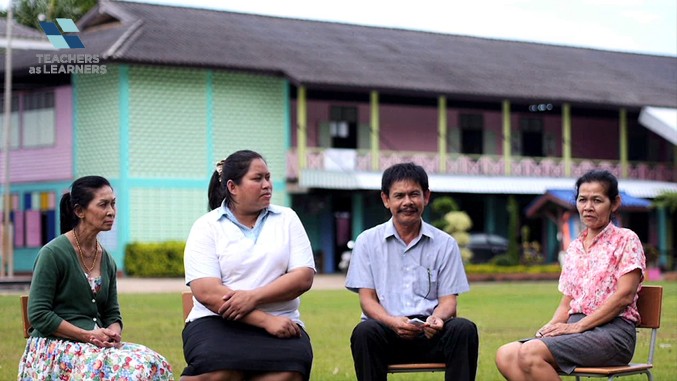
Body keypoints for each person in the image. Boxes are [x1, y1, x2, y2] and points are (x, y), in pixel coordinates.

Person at [17, 176, 174, 381]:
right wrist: (88, 335)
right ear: (79, 211)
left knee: (156, 364)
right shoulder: (53, 254)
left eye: (113, 204)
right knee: (132, 370)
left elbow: (112, 313)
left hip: (93, 346)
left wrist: (112, 333)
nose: (111, 211)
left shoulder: (106, 259)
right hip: (54, 349)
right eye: (103, 204)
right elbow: (38, 314)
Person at [495, 169, 646, 381]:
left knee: (531, 352)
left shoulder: (626, 240)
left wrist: (577, 327)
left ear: (615, 203)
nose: (588, 207)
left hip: (613, 334)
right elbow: (567, 303)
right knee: (506, 355)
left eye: (597, 200)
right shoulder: (574, 247)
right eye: (582, 200)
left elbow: (625, 296)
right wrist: (550, 327)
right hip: (577, 331)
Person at [181, 149, 316, 381]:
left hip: (283, 319)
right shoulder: (206, 226)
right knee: (223, 372)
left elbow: (303, 277)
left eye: (268, 177)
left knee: (289, 372)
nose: (267, 185)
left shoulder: (287, 219)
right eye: (257, 179)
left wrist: (253, 298)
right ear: (233, 187)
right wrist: (265, 320)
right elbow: (206, 291)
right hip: (215, 322)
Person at [345, 162, 479, 381]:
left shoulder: (445, 244)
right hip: (386, 332)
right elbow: (367, 300)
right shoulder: (367, 241)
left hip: (431, 333)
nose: (407, 202)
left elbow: (449, 302)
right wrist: (392, 322)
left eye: (414, 194)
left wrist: (437, 318)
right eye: (399, 196)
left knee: (463, 329)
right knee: (364, 332)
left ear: (426, 197)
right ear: (386, 200)